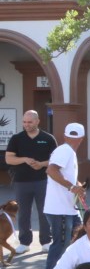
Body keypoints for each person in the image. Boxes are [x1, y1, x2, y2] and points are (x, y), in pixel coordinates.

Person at [40, 123, 87, 269]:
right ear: (82, 138)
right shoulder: (65, 151)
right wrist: (72, 187)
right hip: (59, 208)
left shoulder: (66, 150)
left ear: (65, 136)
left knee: (79, 239)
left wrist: (77, 186)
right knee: (61, 244)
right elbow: (51, 170)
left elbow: (64, 174)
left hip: (68, 208)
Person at [4, 109, 56, 254]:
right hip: (21, 181)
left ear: (37, 121)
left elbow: (55, 160)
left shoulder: (48, 138)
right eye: (24, 122)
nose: (26, 124)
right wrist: (25, 159)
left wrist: (41, 164)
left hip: (43, 181)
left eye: (30, 122)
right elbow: (9, 159)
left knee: (44, 211)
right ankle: (24, 242)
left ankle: (46, 241)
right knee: (23, 213)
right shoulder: (17, 138)